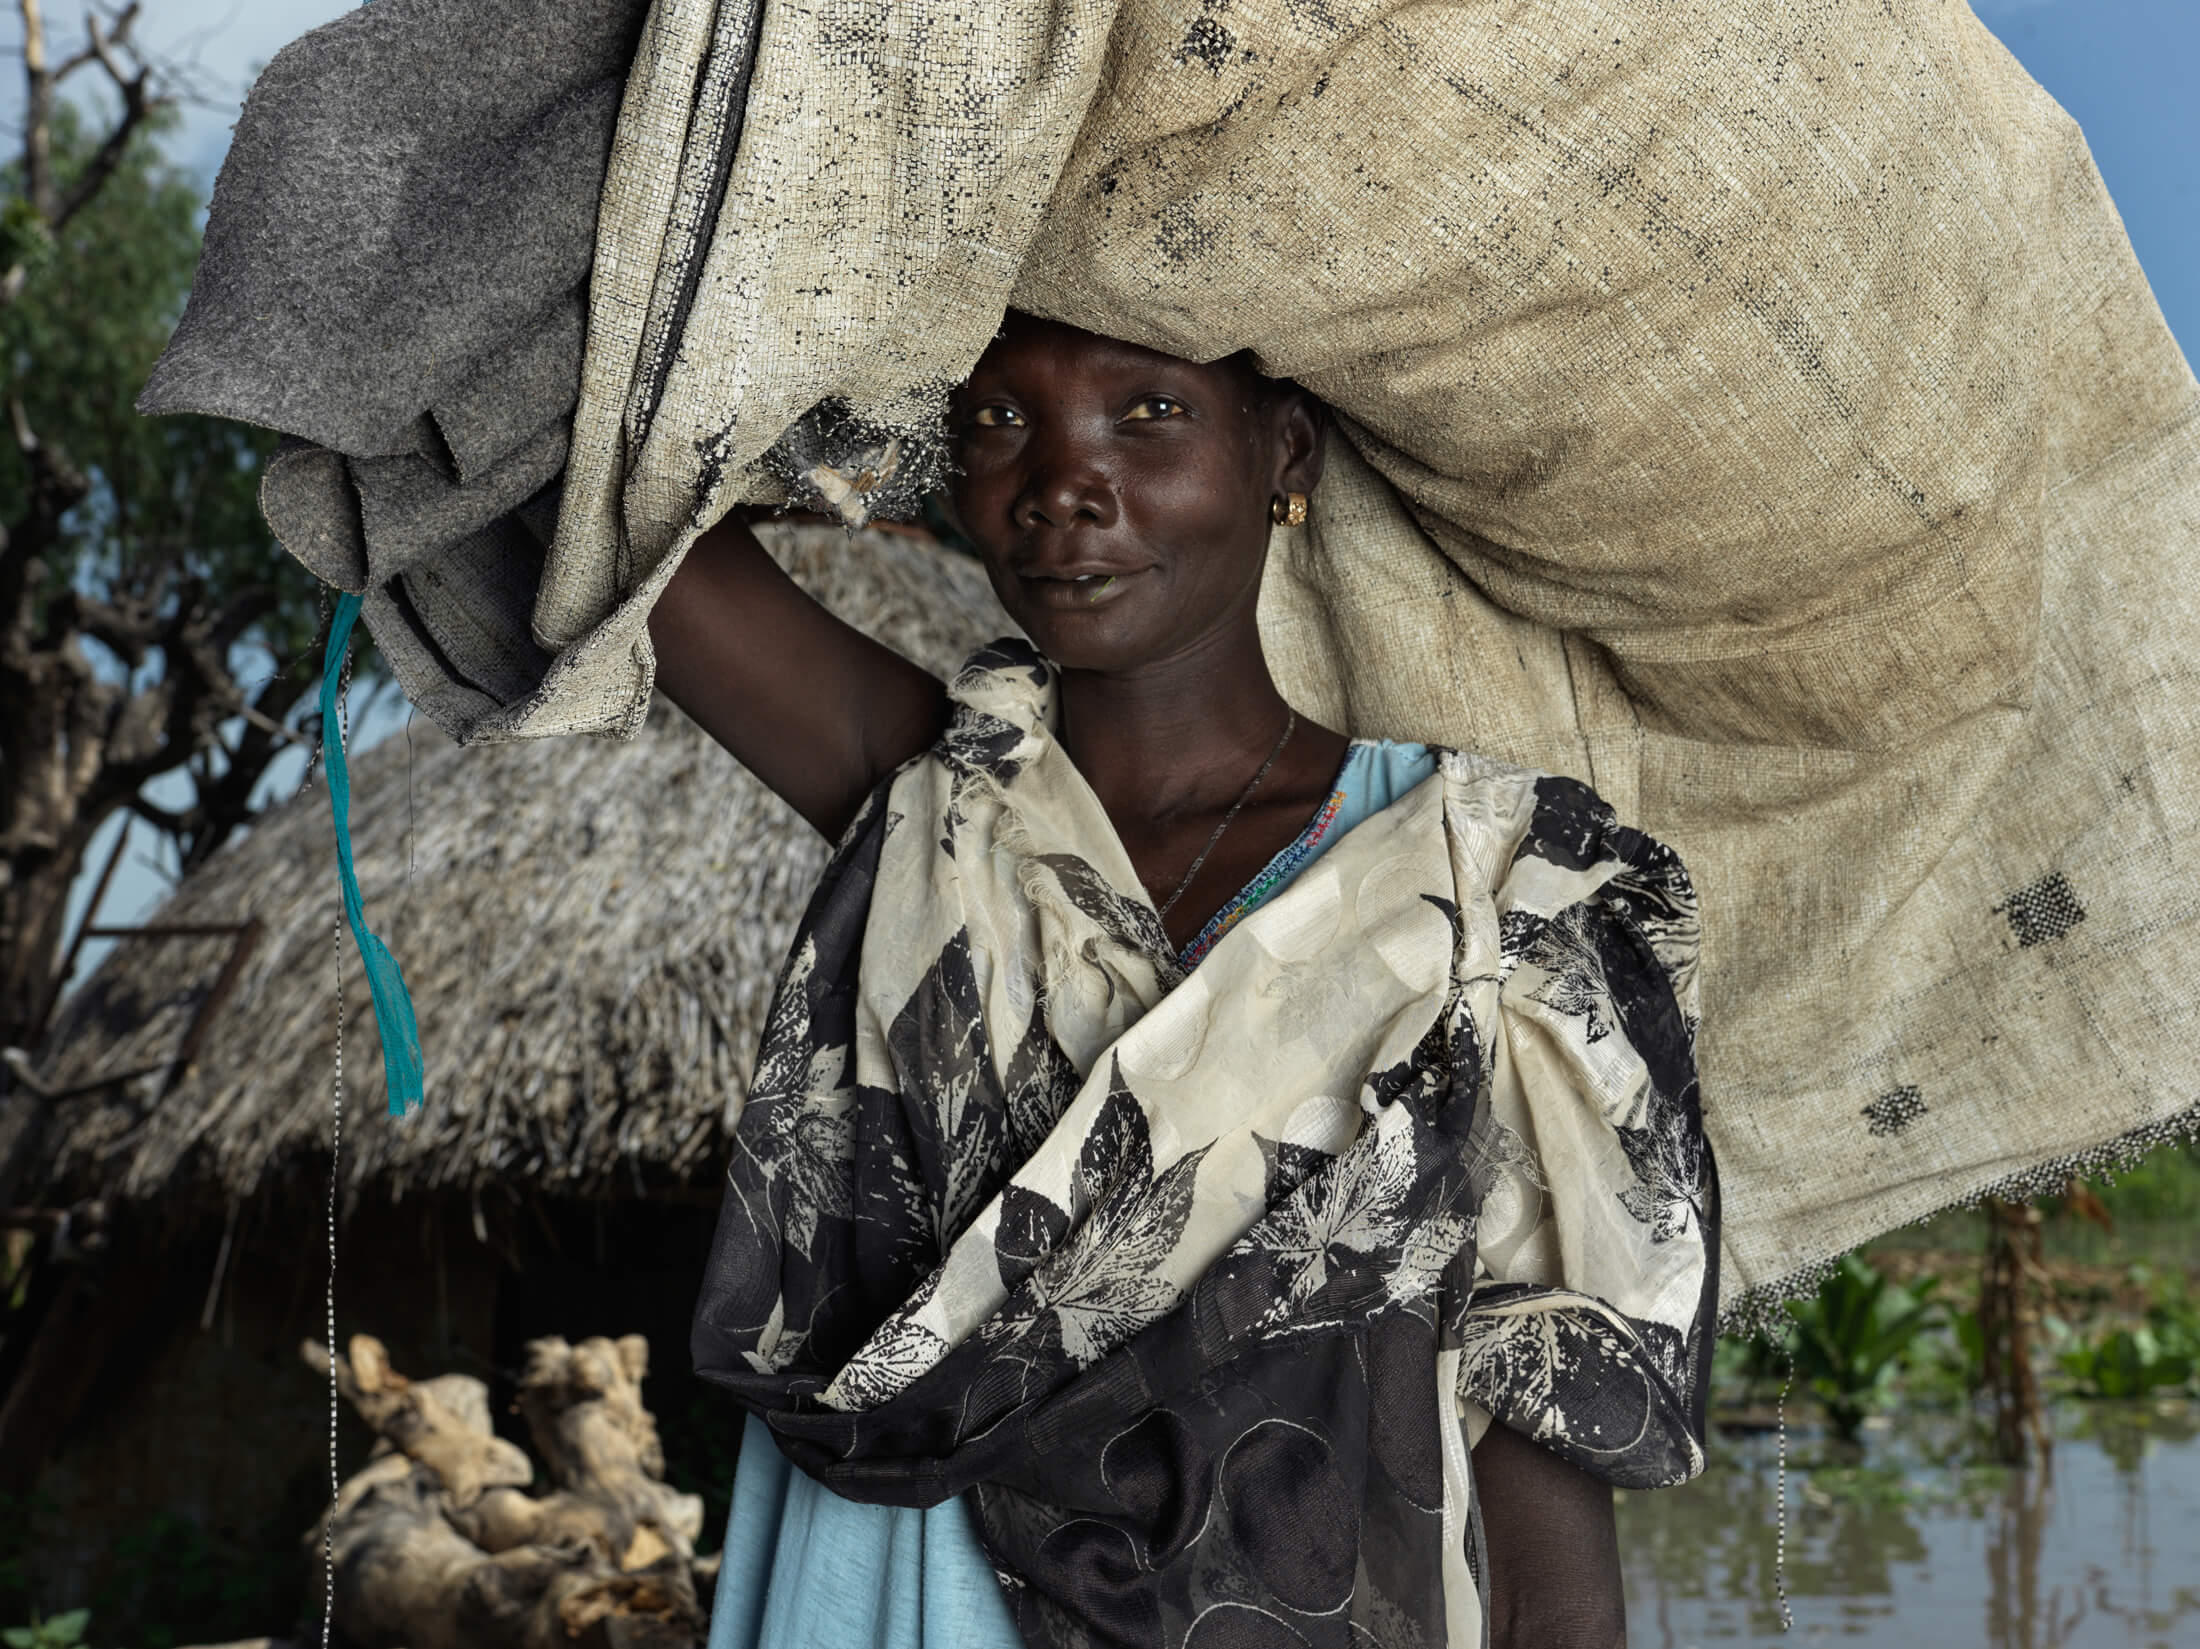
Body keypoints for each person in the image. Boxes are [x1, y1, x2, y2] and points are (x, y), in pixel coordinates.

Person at [650, 311, 1719, 1649]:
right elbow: (622, 505)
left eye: (1148, 413)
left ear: (1286, 451)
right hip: (887, 1601)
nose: (1062, 482)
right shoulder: (938, 807)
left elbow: (1557, 1578)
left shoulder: (1485, 894)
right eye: (996, 420)